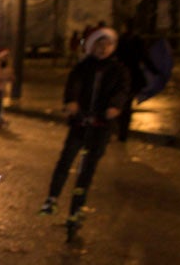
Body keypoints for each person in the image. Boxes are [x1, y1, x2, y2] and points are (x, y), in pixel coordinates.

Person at [38, 26, 131, 238]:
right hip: (80, 123)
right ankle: (52, 197)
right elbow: (73, 86)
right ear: (92, 46)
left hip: (100, 127)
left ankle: (76, 209)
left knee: (86, 170)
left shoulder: (118, 70)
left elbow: (122, 91)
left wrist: (114, 107)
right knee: (66, 160)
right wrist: (71, 102)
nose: (103, 49)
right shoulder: (83, 67)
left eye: (107, 45)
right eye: (99, 45)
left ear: (112, 48)